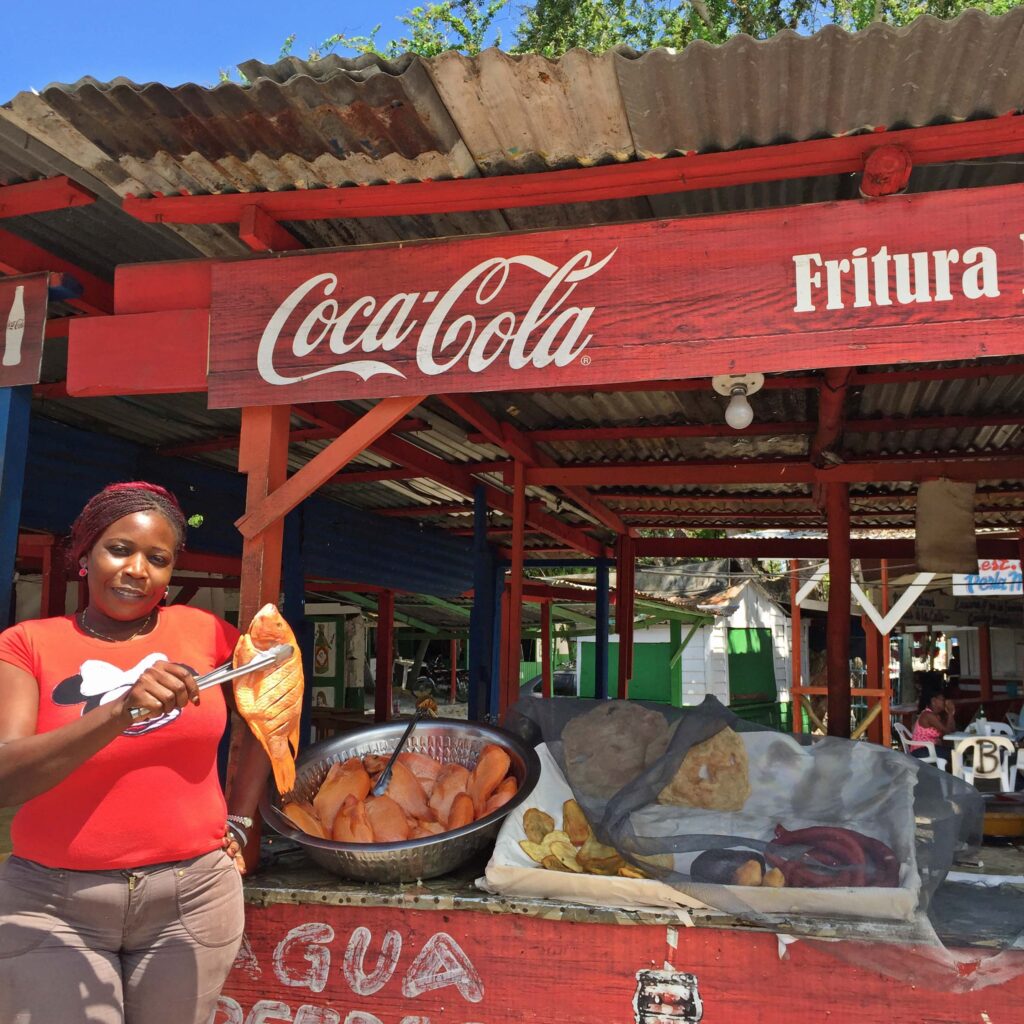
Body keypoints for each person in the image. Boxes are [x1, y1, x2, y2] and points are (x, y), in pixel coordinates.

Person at [0, 482, 271, 1024]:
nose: (137, 570)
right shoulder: (26, 644)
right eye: (119, 549)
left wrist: (242, 820)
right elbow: (6, 778)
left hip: (192, 901)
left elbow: (271, 709)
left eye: (158, 558)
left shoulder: (209, 634)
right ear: (85, 555)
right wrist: (120, 712)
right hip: (53, 905)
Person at [909, 672, 956, 761]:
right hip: (920, 751)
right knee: (955, 754)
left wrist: (951, 713)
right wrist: (950, 713)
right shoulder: (928, 715)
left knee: (955, 753)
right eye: (942, 700)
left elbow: (952, 729)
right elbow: (947, 731)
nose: (944, 702)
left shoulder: (935, 715)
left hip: (928, 749)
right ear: (934, 701)